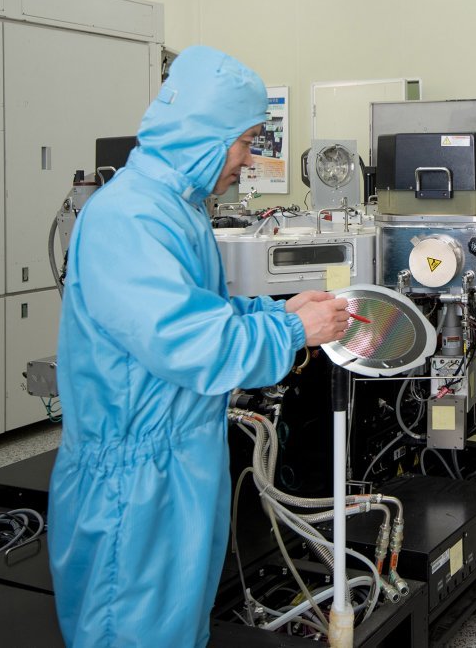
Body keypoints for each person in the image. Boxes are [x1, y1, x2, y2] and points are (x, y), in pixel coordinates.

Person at [48, 45, 350, 647]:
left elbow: (201, 311)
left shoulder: (175, 209)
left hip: (179, 461)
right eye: (246, 143)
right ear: (205, 137)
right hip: (133, 484)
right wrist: (292, 333)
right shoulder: (129, 218)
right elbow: (190, 343)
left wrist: (277, 311)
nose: (250, 160)